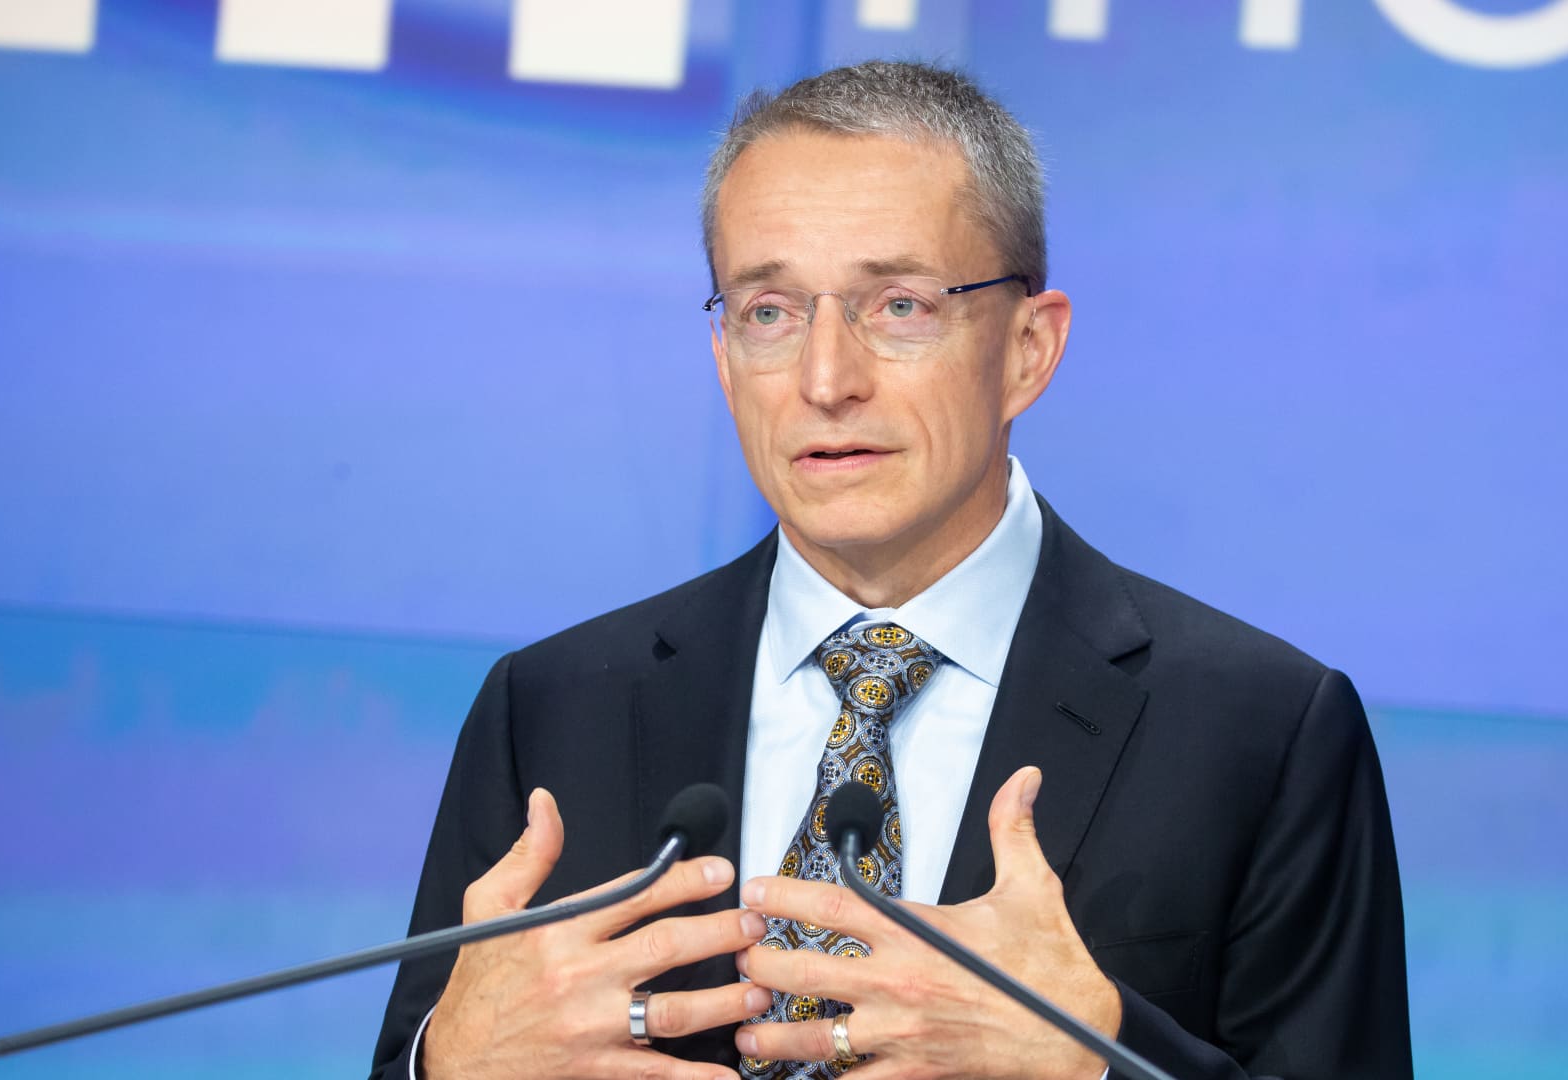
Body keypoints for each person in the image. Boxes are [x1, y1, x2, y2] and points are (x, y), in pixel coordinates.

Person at [371, 60, 1410, 1080]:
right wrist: (449, 1065)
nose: (826, 380)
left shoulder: (1259, 730)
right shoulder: (550, 709)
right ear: (726, 359)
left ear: (1028, 350)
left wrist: (1092, 1062)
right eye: (770, 312)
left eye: (899, 306)